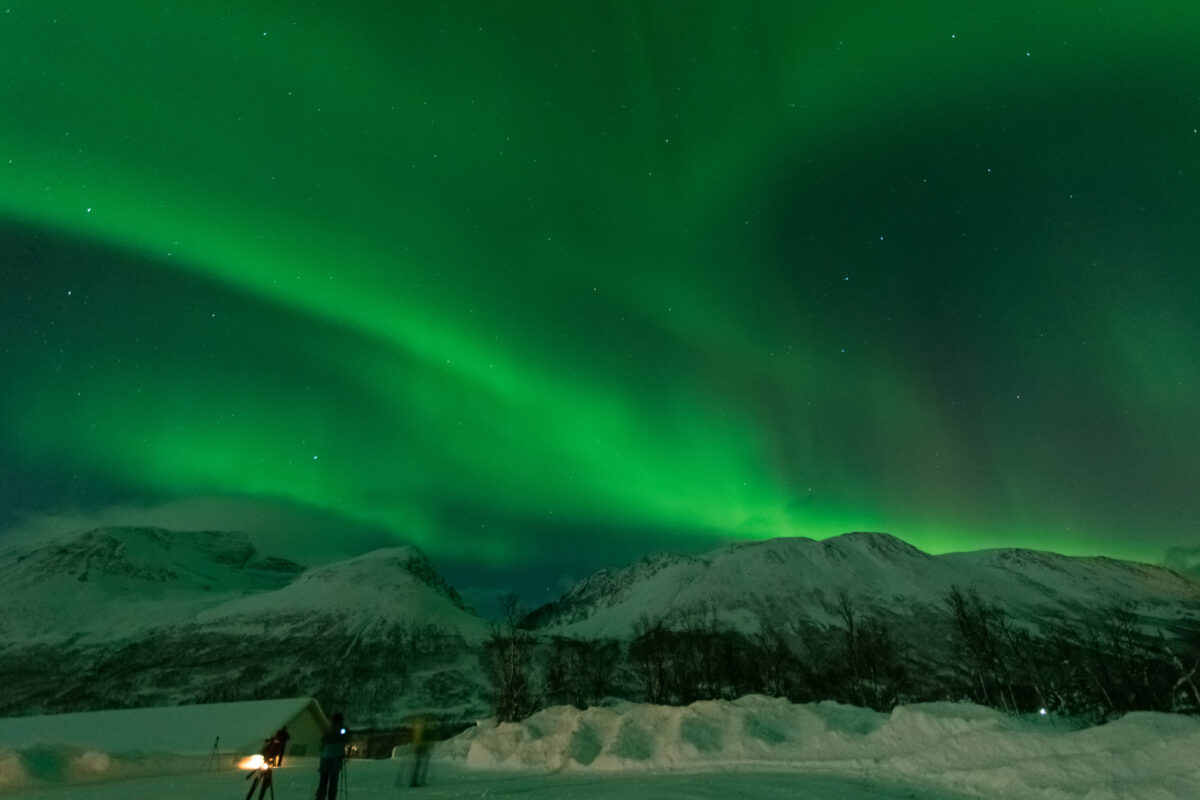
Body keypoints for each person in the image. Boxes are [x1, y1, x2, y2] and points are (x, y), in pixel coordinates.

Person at [315, 713, 348, 800]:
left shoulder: (328, 729)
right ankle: (331, 798)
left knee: (323, 780)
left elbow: (322, 740)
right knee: (333, 780)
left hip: (325, 756)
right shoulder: (343, 729)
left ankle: (320, 797)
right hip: (336, 757)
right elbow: (347, 738)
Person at [409, 716, 432, 787]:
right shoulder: (422, 730)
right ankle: (415, 781)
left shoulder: (418, 730)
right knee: (419, 766)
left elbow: (417, 740)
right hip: (420, 749)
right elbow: (422, 741)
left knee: (417, 766)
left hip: (418, 749)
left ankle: (415, 781)